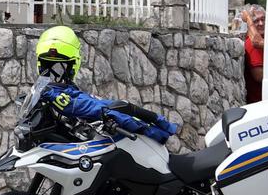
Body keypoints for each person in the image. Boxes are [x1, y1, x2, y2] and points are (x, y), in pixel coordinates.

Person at [34, 26, 179, 143]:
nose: (55, 74)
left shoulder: (62, 93)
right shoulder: (59, 91)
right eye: (50, 66)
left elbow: (89, 106)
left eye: (60, 67)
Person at [239, 4, 266, 103]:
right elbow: (259, 76)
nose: (261, 23)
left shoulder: (264, 39)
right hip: (260, 102)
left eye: (263, 19)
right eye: (256, 21)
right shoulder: (252, 44)